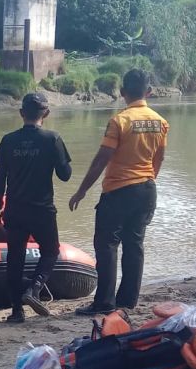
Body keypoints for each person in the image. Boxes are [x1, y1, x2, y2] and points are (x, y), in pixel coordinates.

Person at [69, 68, 168, 315]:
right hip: (147, 189)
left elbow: (102, 159)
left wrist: (81, 191)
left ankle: (104, 302)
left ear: (122, 92)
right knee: (134, 244)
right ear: (149, 91)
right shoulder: (160, 122)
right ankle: (127, 302)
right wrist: (147, 181)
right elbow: (159, 159)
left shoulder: (119, 121)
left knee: (107, 245)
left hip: (118, 191)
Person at [0, 92, 72, 323]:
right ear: (45, 114)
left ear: (21, 113)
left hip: (15, 210)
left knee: (14, 259)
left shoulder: (8, 140)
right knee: (50, 250)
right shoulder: (52, 139)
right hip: (42, 209)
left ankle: (16, 311)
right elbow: (65, 176)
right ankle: (34, 288)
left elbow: (0, 177)